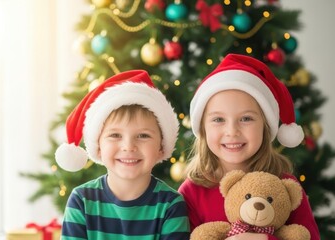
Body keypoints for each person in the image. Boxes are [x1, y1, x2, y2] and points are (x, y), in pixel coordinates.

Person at [178, 53, 320, 240]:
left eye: (246, 119)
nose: (232, 131)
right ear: (203, 128)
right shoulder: (191, 192)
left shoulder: (285, 186)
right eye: (218, 119)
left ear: (265, 126)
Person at [55, 70, 190, 239]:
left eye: (143, 136)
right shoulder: (81, 201)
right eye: (115, 135)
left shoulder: (171, 204)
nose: (128, 146)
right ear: (98, 147)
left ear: (161, 147)